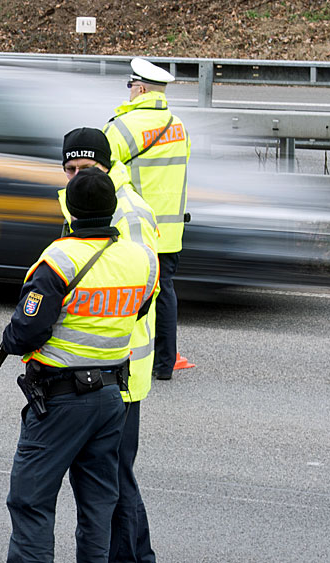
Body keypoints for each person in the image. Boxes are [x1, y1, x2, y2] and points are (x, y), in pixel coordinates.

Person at [1, 167, 159, 562]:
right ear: (111, 209)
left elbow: (26, 330)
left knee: (31, 501)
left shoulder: (60, 259)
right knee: (98, 507)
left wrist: (10, 340)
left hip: (60, 399)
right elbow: (139, 310)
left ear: (70, 208)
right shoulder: (143, 259)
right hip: (111, 398)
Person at [60, 128, 159, 562]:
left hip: (119, 367)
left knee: (115, 482)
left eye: (86, 168)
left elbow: (142, 286)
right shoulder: (80, 201)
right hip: (92, 367)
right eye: (70, 168)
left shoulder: (129, 211)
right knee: (110, 481)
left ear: (107, 166)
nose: (76, 176)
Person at [102, 57, 192, 381]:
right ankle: (164, 363)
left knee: (133, 292)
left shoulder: (123, 127)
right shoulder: (178, 126)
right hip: (171, 230)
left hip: (137, 229)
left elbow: (100, 173)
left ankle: (123, 356)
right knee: (164, 291)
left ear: (139, 89)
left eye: (130, 87)